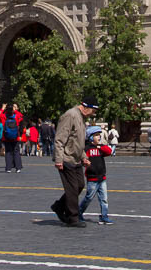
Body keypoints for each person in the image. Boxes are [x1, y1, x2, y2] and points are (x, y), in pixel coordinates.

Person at [51, 94, 98, 228]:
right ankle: (73, 217)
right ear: (86, 107)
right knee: (72, 188)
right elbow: (60, 139)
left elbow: (77, 142)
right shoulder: (70, 115)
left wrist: (84, 157)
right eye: (93, 111)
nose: (93, 114)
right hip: (66, 158)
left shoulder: (82, 118)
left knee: (79, 185)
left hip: (76, 158)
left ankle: (59, 206)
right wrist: (59, 160)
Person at [78, 125, 115, 224]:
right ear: (90, 137)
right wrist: (84, 162)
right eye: (96, 135)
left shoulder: (100, 147)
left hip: (102, 177)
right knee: (89, 197)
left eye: (99, 135)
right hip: (92, 178)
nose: (99, 137)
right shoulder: (87, 149)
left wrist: (99, 146)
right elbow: (82, 159)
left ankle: (104, 216)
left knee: (104, 199)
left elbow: (109, 151)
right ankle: (79, 212)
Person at [0, 103, 23, 173]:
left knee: (8, 152)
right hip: (15, 136)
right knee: (16, 151)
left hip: (6, 136)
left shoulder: (3, 116)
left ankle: (8, 168)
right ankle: (18, 168)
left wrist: (2, 108)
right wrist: (15, 110)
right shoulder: (16, 115)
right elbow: (21, 116)